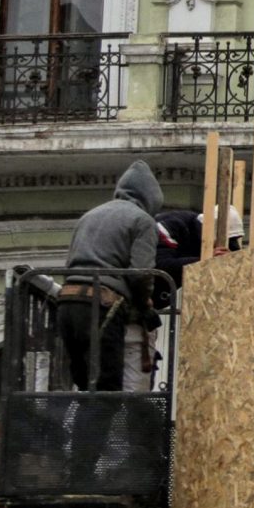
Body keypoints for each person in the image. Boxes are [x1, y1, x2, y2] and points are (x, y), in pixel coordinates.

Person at [58, 160, 162, 392]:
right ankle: (104, 428)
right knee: (108, 388)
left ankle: (81, 427)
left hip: (67, 304)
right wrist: (144, 302)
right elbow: (140, 274)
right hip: (102, 306)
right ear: (151, 199)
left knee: (84, 384)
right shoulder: (142, 220)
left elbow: (70, 262)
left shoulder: (89, 216)